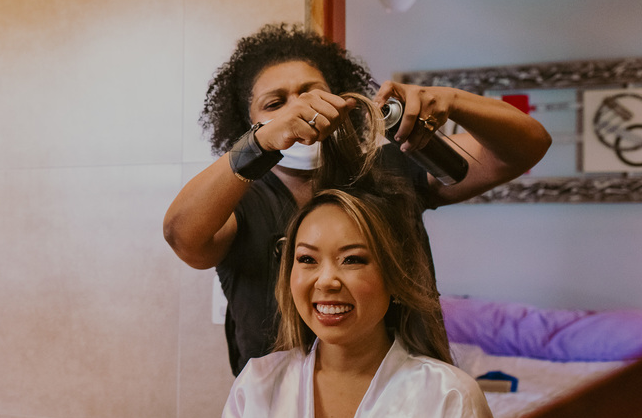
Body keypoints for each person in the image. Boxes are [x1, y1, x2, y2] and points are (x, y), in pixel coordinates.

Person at [163, 22, 551, 375]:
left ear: (341, 100)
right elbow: (183, 236)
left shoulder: (389, 170)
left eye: (309, 92)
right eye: (275, 103)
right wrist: (261, 145)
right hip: (279, 414)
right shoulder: (239, 200)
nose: (298, 107)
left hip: (405, 397)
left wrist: (453, 100)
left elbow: (525, 148)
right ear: (249, 125)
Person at [208, 189, 497, 418]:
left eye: (352, 259)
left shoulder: (450, 396)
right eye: (307, 260)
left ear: (395, 277)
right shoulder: (257, 383)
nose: (327, 280)